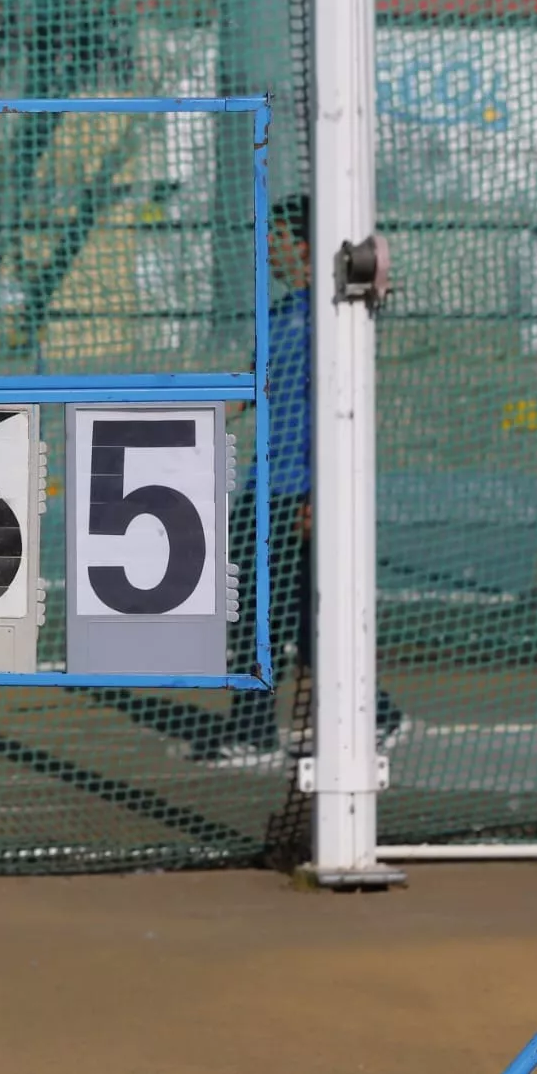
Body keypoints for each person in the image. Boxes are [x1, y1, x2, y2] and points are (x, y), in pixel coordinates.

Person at [100, 194, 404, 767]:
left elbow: (341, 405)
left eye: (280, 235)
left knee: (299, 619)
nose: (268, 246)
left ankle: (358, 718)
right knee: (260, 615)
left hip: (305, 490)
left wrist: (321, 493)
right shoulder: (284, 313)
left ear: (308, 243)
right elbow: (254, 393)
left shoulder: (339, 314)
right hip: (264, 487)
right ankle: (275, 727)